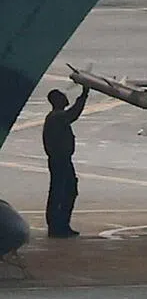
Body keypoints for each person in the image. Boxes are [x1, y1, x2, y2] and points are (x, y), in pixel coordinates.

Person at [42, 85, 89, 238]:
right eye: (62, 96)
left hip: (60, 159)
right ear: (57, 100)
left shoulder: (55, 117)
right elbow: (74, 113)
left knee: (62, 191)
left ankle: (60, 225)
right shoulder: (58, 116)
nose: (65, 98)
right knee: (63, 192)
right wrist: (84, 95)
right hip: (61, 160)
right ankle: (58, 225)